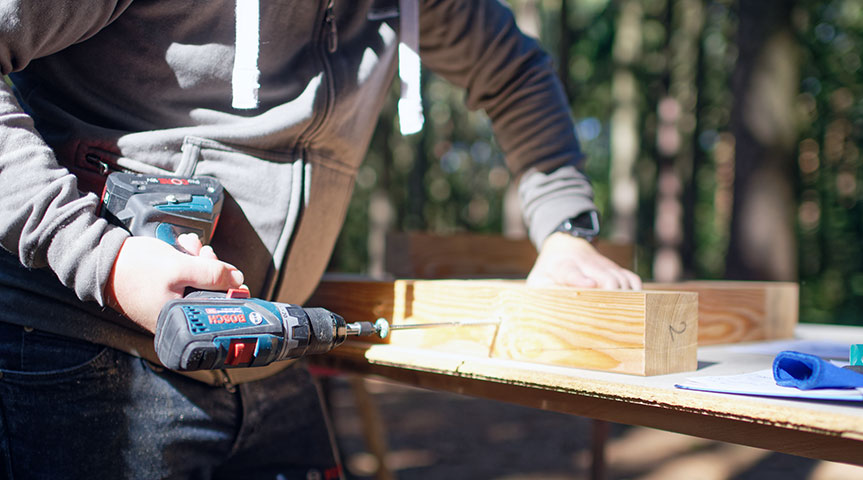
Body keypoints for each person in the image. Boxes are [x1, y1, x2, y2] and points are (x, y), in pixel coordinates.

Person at [0, 0, 641, 478]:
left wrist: (565, 230)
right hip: (78, 356)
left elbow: (515, 70)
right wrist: (102, 259)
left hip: (270, 355)